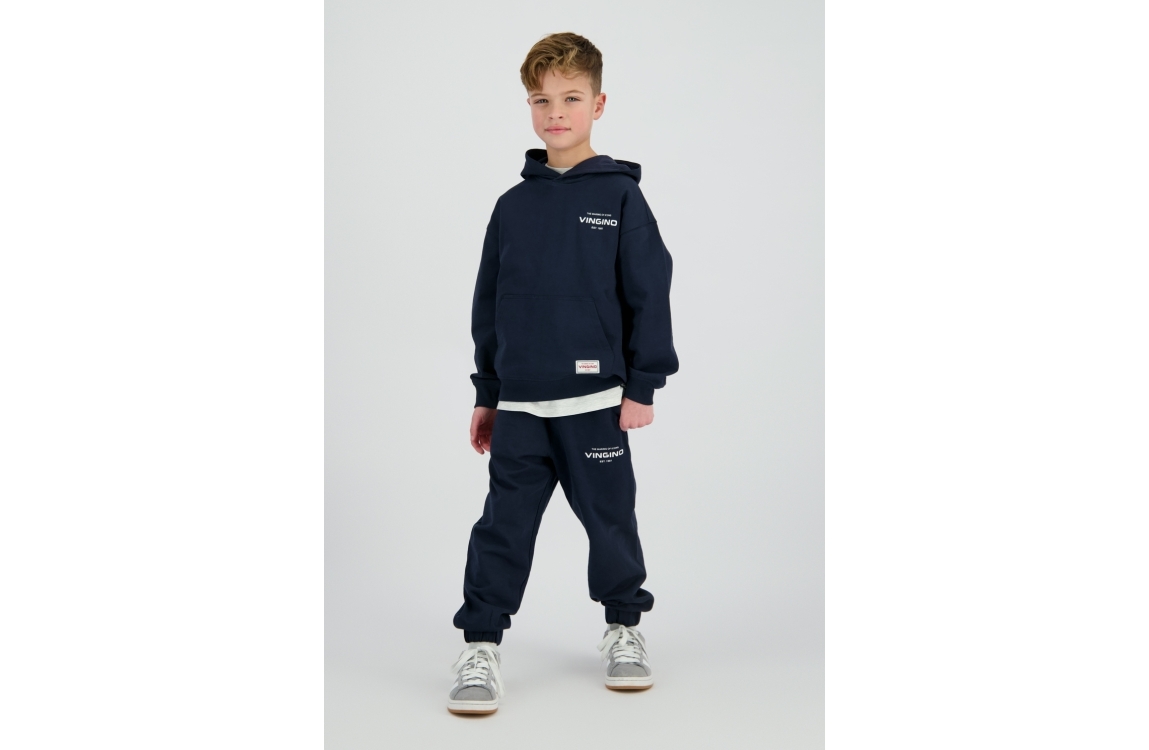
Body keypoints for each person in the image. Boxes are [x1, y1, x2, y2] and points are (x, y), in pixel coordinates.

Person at [447, 31, 679, 715]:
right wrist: (489, 393)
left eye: (571, 98)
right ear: (529, 106)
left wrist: (643, 384)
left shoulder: (620, 198)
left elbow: (649, 293)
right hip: (521, 406)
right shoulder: (511, 206)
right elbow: (489, 304)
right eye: (541, 100)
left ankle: (624, 629)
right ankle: (480, 645)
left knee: (610, 521)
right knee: (502, 528)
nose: (555, 113)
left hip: (596, 403)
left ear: (597, 104)